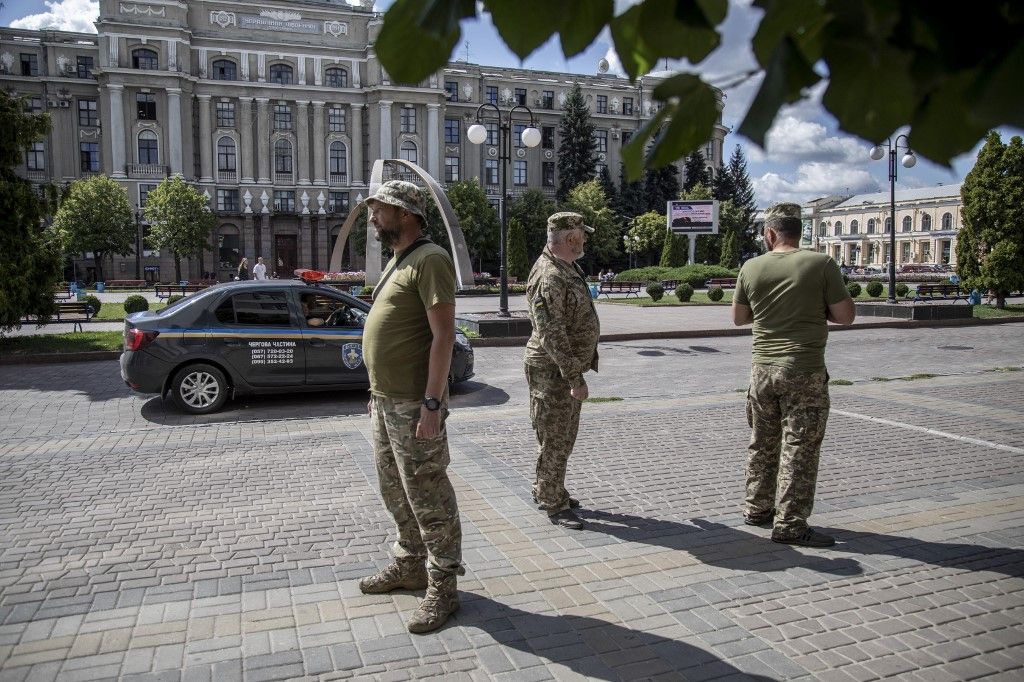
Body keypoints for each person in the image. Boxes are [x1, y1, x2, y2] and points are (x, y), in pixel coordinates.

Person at [357, 180, 463, 634]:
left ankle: (443, 585)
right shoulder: (399, 261)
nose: (372, 217)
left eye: (378, 209)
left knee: (428, 494)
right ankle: (410, 565)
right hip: (385, 402)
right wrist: (375, 394)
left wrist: (433, 404)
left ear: (404, 213)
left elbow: (443, 336)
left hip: (415, 405)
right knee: (394, 491)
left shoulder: (431, 259)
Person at [732, 203, 856, 548]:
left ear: (770, 234)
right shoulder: (821, 264)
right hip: (804, 370)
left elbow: (739, 318)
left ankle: (757, 509)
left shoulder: (751, 266)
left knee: (762, 442)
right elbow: (846, 316)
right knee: (799, 447)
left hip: (762, 371)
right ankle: (790, 524)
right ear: (798, 232)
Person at [524, 211, 601, 530]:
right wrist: (574, 377)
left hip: (562, 369)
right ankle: (552, 500)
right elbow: (550, 332)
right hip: (553, 371)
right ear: (570, 238)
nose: (584, 240)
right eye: (582, 235)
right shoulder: (550, 275)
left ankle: (549, 486)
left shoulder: (566, 267)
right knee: (555, 436)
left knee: (562, 435)